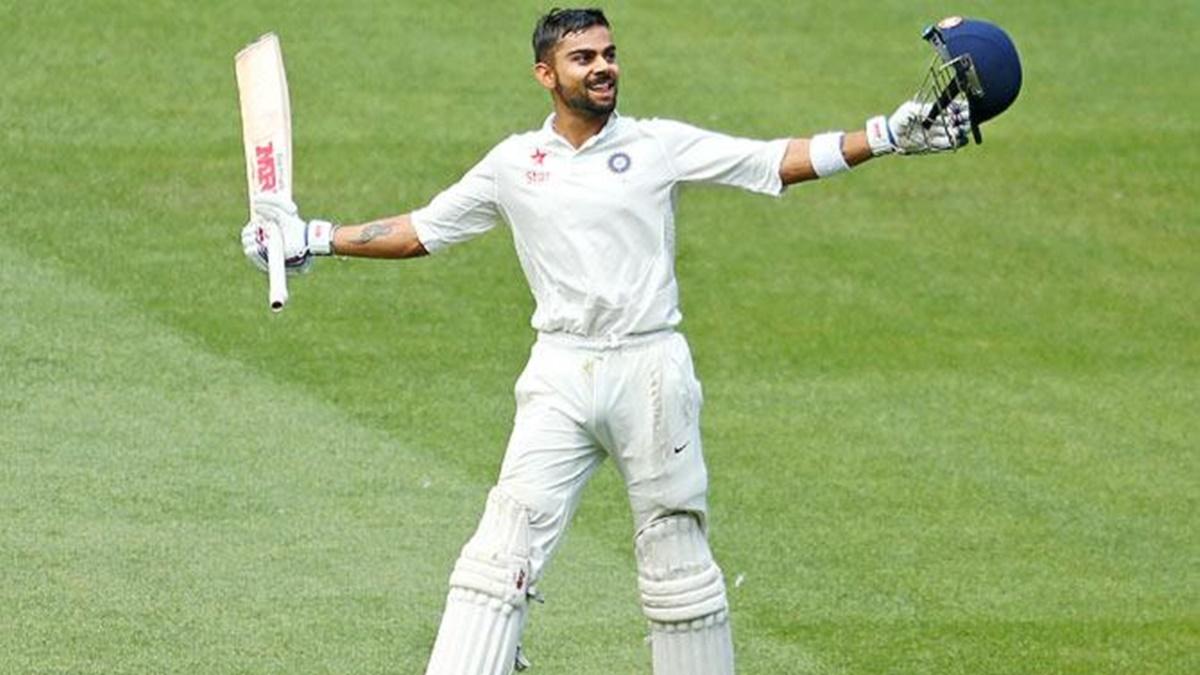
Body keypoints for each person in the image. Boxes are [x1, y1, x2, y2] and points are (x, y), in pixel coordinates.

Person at [240, 8, 969, 674]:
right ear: (545, 74)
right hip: (559, 371)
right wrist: (311, 239)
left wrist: (886, 135)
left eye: (609, 54)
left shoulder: (658, 146)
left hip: (651, 369)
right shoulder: (513, 163)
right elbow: (421, 230)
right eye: (583, 56)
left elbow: (774, 159)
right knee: (499, 554)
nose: (602, 67)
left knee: (676, 558)